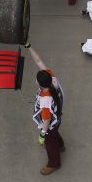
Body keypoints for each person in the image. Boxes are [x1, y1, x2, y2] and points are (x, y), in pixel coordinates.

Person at [23, 43, 65, 175]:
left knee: (49, 141)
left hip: (50, 124)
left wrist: (42, 135)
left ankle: (54, 163)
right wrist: (28, 46)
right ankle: (61, 146)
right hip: (57, 117)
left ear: (40, 84)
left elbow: (46, 121)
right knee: (55, 133)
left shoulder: (45, 102)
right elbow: (38, 60)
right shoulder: (51, 79)